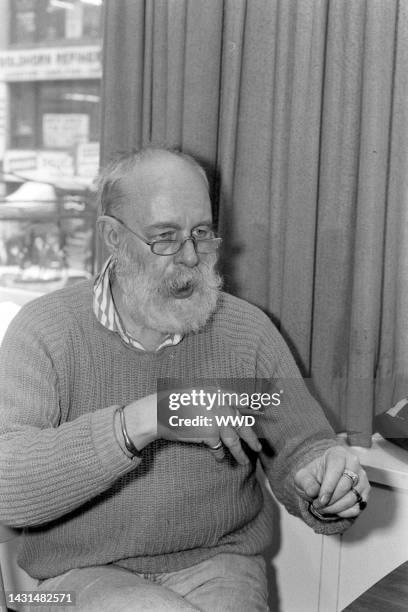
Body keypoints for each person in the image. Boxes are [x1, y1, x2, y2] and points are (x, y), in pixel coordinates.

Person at [0, 147, 370, 612]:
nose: (192, 256)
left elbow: (302, 448)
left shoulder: (247, 331)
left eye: (202, 233)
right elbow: (7, 488)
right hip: (71, 576)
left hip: (219, 564)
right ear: (112, 237)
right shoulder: (45, 330)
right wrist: (148, 416)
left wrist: (327, 486)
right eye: (166, 237)